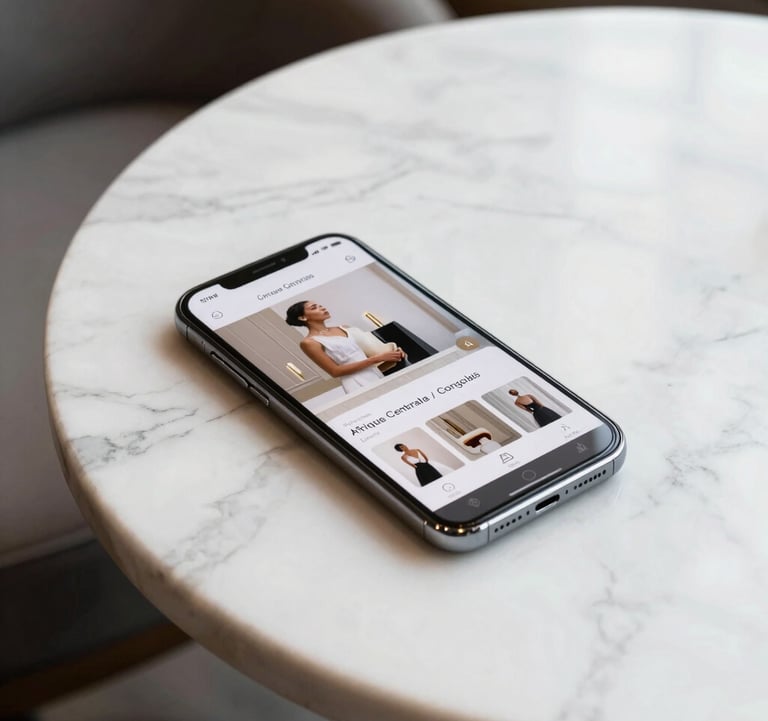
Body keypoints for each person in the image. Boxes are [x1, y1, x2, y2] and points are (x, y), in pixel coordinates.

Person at [285, 300, 404, 394]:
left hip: (375, 373)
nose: (322, 307)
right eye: (314, 307)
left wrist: (393, 352)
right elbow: (335, 371)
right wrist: (376, 359)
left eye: (320, 305)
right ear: (302, 318)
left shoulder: (343, 328)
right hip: (356, 382)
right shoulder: (309, 342)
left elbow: (370, 349)